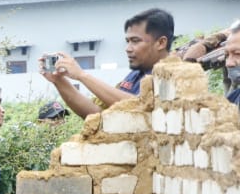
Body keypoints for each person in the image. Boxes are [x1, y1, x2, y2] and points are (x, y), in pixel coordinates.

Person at [41, 8, 174, 117]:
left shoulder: (174, 76)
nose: (128, 48)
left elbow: (141, 109)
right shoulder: (135, 76)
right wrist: (59, 81)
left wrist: (82, 75)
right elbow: (98, 116)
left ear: (161, 43)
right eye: (128, 41)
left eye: (135, 41)